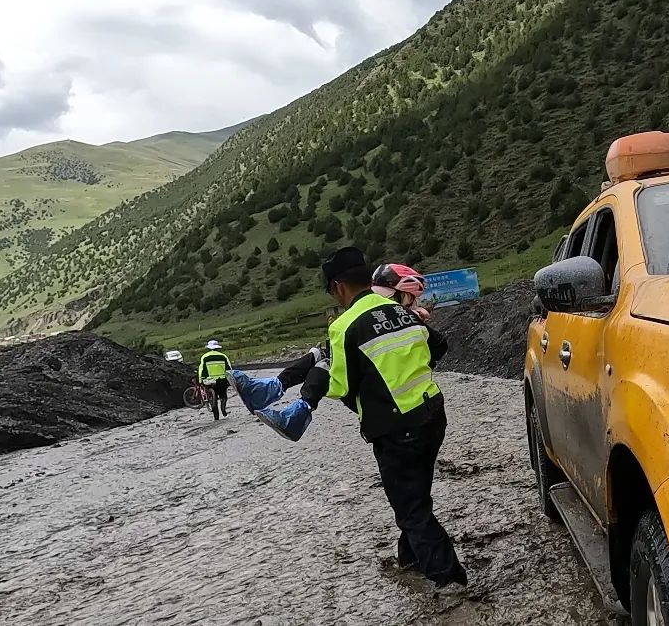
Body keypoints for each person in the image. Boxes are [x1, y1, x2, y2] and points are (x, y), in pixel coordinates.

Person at [229, 248, 468, 591]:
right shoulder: (401, 312)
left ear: (339, 287)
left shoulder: (345, 324)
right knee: (414, 495)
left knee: (412, 511)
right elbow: (435, 346)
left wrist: (349, 389)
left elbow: (339, 384)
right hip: (432, 414)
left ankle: (451, 583)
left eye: (331, 292)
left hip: (397, 427)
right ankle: (410, 561)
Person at [198, 339, 232, 420]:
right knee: (223, 395)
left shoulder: (205, 357)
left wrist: (200, 380)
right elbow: (229, 369)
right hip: (222, 380)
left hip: (210, 381)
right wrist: (230, 379)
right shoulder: (223, 356)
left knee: (213, 398)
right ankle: (223, 409)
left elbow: (201, 370)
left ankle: (216, 417)